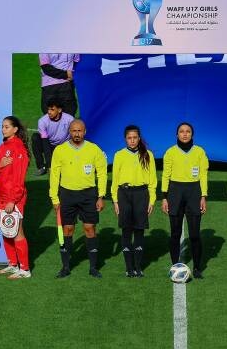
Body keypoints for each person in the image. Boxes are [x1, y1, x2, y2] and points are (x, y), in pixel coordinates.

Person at [49, 119, 107, 278]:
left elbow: (102, 174)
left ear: (85, 132)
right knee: (67, 229)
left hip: (88, 195)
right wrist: (54, 198)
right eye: (74, 131)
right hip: (67, 195)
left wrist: (100, 196)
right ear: (70, 132)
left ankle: (93, 267)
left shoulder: (94, 150)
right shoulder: (60, 150)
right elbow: (54, 175)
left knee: (89, 228)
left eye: (79, 131)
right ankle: (65, 267)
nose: (76, 134)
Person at [161, 122, 209, 279]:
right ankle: (175, 266)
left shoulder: (200, 152)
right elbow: (166, 175)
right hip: (175, 192)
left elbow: (203, 175)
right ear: (177, 134)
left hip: (194, 193)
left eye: (188, 131)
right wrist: (164, 197)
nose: (185, 134)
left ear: (192, 134)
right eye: (181, 131)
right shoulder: (170, 152)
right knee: (175, 233)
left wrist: (203, 196)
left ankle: (197, 268)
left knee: (194, 234)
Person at [111, 125, 156, 278]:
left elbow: (152, 180)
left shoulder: (148, 155)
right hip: (124, 195)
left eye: (135, 137)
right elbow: (115, 180)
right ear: (125, 139)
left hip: (141, 195)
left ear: (139, 138)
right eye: (129, 138)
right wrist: (115, 201)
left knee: (139, 230)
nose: (132, 140)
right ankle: (129, 267)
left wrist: (152, 200)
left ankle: (138, 267)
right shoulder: (119, 155)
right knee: (126, 230)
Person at [0, 117, 32, 279]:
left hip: (13, 198)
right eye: (2, 126)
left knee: (17, 231)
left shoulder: (19, 149)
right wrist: (0, 165)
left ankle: (25, 269)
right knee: (6, 229)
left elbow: (19, 178)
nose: (3, 129)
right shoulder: (2, 148)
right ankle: (13, 264)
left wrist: (12, 200)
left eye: (7, 127)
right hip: (1, 197)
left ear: (15, 129)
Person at [31, 98, 74, 176]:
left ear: (59, 110)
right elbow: (45, 143)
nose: (49, 112)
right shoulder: (42, 121)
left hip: (64, 146)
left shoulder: (70, 120)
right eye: (48, 109)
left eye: (52, 109)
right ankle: (41, 167)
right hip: (49, 145)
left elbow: (74, 138)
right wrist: (49, 165)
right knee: (35, 137)